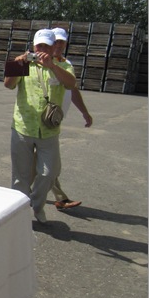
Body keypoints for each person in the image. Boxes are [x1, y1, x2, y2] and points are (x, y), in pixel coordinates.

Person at [4, 29, 76, 224]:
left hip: (49, 130)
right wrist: (18, 65)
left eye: (46, 46)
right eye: (39, 46)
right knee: (20, 176)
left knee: (49, 172)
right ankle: (17, 214)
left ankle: (36, 204)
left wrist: (52, 66)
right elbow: (8, 84)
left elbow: (71, 84)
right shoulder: (22, 62)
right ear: (33, 46)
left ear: (54, 47)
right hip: (22, 127)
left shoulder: (62, 65)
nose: (42, 50)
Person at [50, 27, 93, 210]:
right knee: (49, 164)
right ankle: (60, 198)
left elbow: (73, 89)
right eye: (56, 41)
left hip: (54, 122)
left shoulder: (66, 64)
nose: (58, 45)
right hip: (38, 124)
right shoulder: (38, 62)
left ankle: (24, 197)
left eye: (62, 42)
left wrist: (84, 112)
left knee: (43, 166)